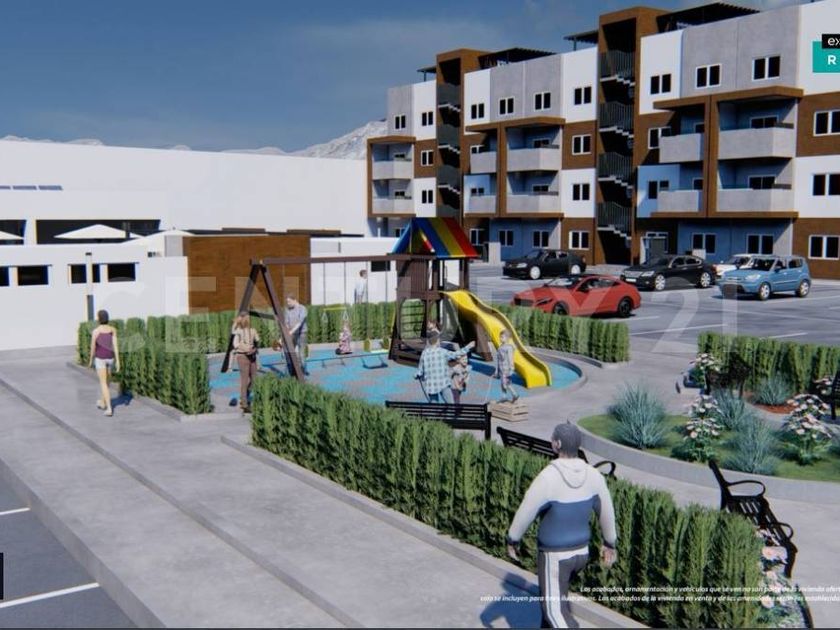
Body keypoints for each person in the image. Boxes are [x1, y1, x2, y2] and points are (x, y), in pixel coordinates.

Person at [507, 422, 617, 629]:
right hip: (581, 554)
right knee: (556, 599)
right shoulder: (594, 475)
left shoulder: (548, 477)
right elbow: (607, 512)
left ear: (556, 444)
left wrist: (513, 538)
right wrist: (609, 543)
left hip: (555, 556)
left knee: (553, 611)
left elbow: (526, 511)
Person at [415, 332, 474, 403]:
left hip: (431, 385)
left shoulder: (424, 353)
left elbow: (420, 370)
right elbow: (457, 354)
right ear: (438, 341)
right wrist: (468, 346)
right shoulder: (442, 352)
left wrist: (417, 375)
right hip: (443, 383)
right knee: (450, 403)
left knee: (434, 405)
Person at [88, 309, 120, 417]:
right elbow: (115, 346)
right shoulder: (113, 330)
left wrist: (90, 360)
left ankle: (109, 408)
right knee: (107, 383)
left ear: (99, 319)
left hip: (100, 359)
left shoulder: (96, 331)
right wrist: (118, 361)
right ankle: (102, 402)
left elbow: (93, 348)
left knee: (103, 383)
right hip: (110, 358)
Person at [232, 312, 260, 412]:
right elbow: (235, 345)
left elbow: (257, 341)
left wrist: (254, 349)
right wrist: (246, 348)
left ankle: (245, 396)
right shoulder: (238, 332)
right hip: (242, 356)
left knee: (254, 379)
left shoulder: (252, 330)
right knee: (244, 380)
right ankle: (244, 404)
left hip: (252, 356)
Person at [284, 294, 308, 374]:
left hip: (302, 333)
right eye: (287, 302)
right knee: (290, 352)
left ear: (294, 300)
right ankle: (292, 371)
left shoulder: (302, 308)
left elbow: (300, 323)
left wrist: (291, 332)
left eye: (289, 301)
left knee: (301, 354)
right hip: (292, 334)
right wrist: (287, 331)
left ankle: (303, 370)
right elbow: (286, 323)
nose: (288, 303)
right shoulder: (287, 310)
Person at [494, 329, 519, 403]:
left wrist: (512, 369)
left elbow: (511, 359)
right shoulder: (500, 347)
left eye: (502, 337)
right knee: (503, 383)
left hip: (506, 369)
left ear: (507, 338)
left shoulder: (509, 347)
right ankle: (504, 396)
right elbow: (498, 360)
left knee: (506, 383)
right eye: (500, 337)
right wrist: (496, 370)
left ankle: (514, 394)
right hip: (501, 369)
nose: (500, 338)